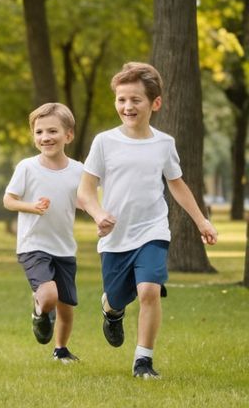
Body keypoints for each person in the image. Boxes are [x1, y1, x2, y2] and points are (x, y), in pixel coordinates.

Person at [77, 62, 217, 379]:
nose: (127, 106)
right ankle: (111, 310)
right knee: (117, 298)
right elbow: (84, 192)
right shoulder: (104, 142)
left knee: (150, 291)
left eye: (135, 99)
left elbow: (177, 184)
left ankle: (143, 360)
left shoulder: (164, 144)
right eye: (122, 99)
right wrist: (99, 214)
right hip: (114, 238)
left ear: (155, 103)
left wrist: (202, 222)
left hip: (153, 229)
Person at [3, 103, 83, 364]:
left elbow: (85, 200)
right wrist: (31, 207)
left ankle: (61, 349)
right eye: (39, 132)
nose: (45, 137)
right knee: (49, 295)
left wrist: (101, 215)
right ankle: (40, 312)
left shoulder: (79, 171)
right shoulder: (27, 167)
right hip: (33, 245)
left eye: (52, 131)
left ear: (68, 135)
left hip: (65, 247)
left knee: (67, 305)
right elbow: (9, 200)